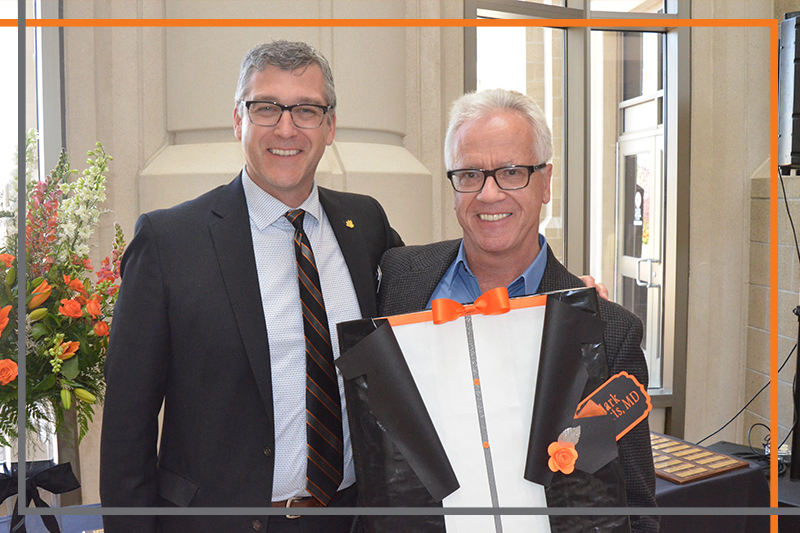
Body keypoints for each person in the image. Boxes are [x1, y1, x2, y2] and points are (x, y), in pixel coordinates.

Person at [99, 40, 402, 532]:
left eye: (306, 110)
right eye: (266, 108)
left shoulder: (365, 224)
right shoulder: (169, 242)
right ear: (238, 120)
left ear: (330, 126)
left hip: (351, 518)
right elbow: (126, 430)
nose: (286, 128)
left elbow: (425, 307)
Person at [377, 88, 658, 533]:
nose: (489, 194)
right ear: (453, 187)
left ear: (546, 183)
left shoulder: (607, 333)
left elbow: (633, 508)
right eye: (470, 174)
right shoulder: (398, 278)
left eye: (511, 172)